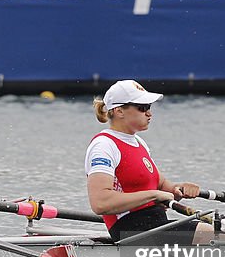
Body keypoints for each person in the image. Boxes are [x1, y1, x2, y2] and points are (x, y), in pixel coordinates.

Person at [85, 79, 212, 243]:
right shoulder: (104, 145)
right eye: (142, 108)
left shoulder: (139, 143)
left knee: (220, 231)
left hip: (156, 226)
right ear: (119, 111)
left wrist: (180, 188)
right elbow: (100, 203)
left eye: (149, 107)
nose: (149, 113)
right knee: (212, 234)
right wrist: (154, 195)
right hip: (131, 232)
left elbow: (164, 189)